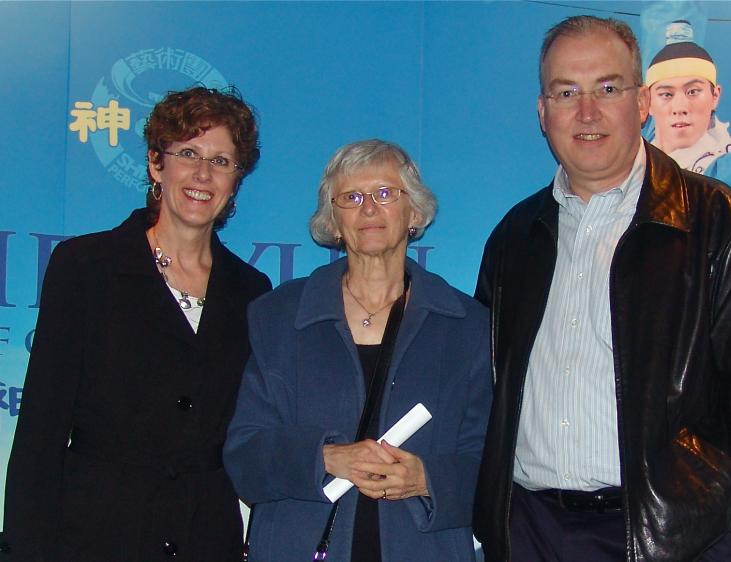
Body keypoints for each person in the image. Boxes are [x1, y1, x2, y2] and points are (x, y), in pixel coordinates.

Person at [473, 15, 731, 562]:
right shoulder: (514, 237)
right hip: (530, 532)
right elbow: (485, 394)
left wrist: (726, 531)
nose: (587, 112)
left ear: (642, 103)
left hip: (675, 540)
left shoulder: (722, 225)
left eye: (607, 87)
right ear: (542, 112)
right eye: (566, 91)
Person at [0, 86, 272, 561]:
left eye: (222, 161)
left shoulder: (252, 292)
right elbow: (41, 430)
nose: (203, 174)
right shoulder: (86, 266)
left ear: (236, 181)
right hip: (96, 534)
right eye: (188, 153)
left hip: (206, 537)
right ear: (155, 164)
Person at [224, 139, 492, 561]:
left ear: (415, 213)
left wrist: (427, 478)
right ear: (332, 222)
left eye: (386, 194)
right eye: (351, 197)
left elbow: (494, 469)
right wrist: (325, 458)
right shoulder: (278, 318)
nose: (369, 208)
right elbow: (244, 457)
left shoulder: (467, 327)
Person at [645, 19, 731, 195]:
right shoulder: (632, 159)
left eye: (692, 92)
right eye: (667, 95)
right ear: (646, 102)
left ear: (715, 96)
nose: (680, 108)